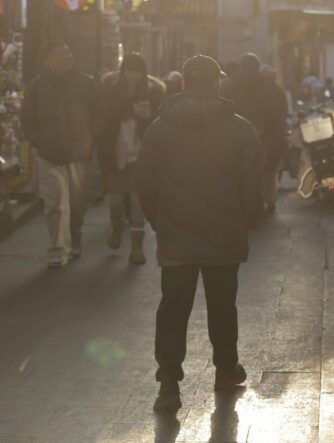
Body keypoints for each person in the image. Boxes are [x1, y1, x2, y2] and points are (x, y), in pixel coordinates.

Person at [138, 55, 264, 413]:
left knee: (173, 309)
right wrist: (244, 220)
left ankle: (168, 385)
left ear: (182, 85)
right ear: (215, 84)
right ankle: (226, 370)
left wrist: (159, 221)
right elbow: (252, 183)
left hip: (175, 236)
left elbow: (145, 182)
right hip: (224, 235)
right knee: (223, 306)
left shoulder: (158, 128)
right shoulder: (240, 128)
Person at [21, 42, 101, 268]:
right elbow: (27, 118)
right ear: (49, 61)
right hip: (49, 153)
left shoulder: (86, 84)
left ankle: (74, 237)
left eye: (68, 53)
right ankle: (57, 248)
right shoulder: (37, 87)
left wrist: (92, 136)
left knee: (76, 203)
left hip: (79, 153)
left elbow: (100, 112)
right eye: (61, 55)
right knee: (55, 202)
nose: (67, 58)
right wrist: (36, 140)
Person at [99, 53, 165, 265]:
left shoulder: (154, 91)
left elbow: (158, 121)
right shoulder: (109, 88)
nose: (133, 76)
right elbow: (103, 115)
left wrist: (146, 117)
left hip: (140, 153)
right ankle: (117, 227)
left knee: (137, 201)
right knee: (116, 200)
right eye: (129, 70)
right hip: (115, 151)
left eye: (137, 71)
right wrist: (129, 110)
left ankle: (137, 247)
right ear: (123, 70)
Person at [224, 54, 288, 214]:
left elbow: (226, 108)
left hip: (237, 133)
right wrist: (265, 128)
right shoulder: (268, 88)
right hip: (263, 134)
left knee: (241, 169)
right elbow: (276, 114)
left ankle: (244, 201)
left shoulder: (231, 85)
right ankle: (268, 200)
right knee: (267, 169)